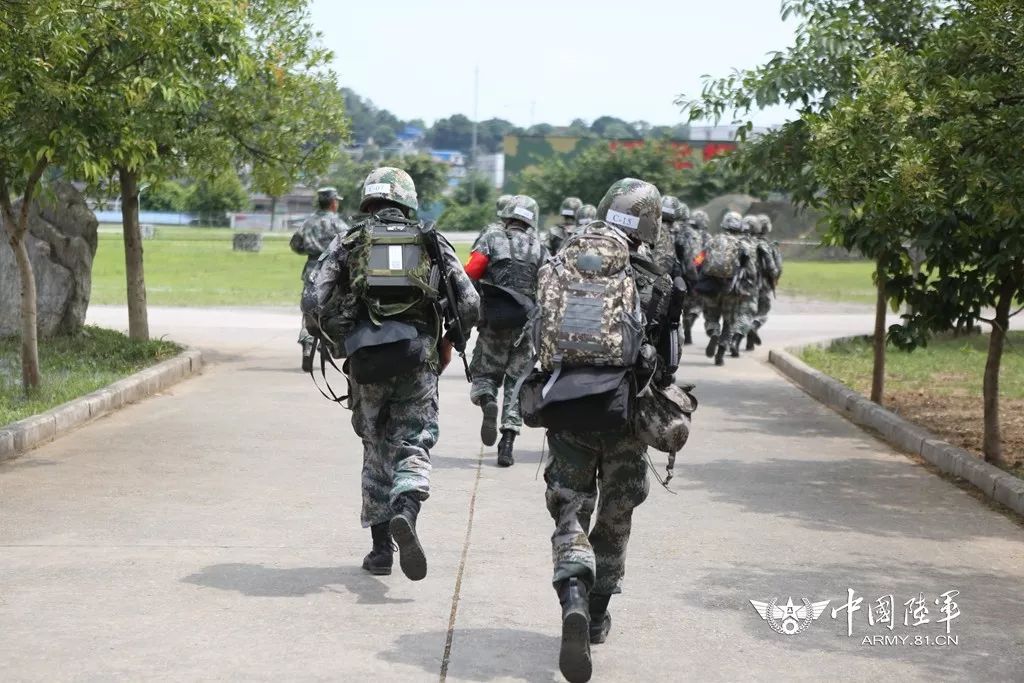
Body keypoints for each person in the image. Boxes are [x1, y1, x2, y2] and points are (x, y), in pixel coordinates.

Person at [536, 178, 681, 683]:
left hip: (567, 406)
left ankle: (573, 591)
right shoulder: (657, 276)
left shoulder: (561, 257)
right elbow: (667, 359)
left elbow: (540, 330)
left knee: (570, 504)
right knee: (618, 510)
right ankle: (596, 614)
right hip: (624, 413)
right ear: (650, 222)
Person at [304, 167, 480, 580]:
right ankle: (407, 508)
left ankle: (381, 551)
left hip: (366, 365)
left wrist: (335, 342)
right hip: (418, 358)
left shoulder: (348, 241)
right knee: (414, 441)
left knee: (375, 448)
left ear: (369, 199)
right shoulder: (429, 239)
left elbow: (314, 300)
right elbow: (470, 301)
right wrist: (453, 339)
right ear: (407, 199)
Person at [463, 195, 546, 466]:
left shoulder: (492, 238)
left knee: (484, 372)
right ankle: (507, 444)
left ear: (507, 216)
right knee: (516, 382)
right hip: (525, 324)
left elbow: (472, 271)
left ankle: (487, 398)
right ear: (530, 220)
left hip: (493, 321)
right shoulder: (540, 246)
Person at [290, 187, 348, 372]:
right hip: (332, 272)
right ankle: (326, 344)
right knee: (331, 309)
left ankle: (308, 344)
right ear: (333, 203)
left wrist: (310, 250)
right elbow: (349, 245)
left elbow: (296, 244)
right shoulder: (339, 224)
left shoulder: (308, 222)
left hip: (312, 269)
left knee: (309, 309)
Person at [700, 211, 757, 365]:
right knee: (729, 321)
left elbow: (698, 260)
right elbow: (751, 271)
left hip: (711, 286)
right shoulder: (744, 245)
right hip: (731, 289)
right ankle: (722, 350)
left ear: (724, 224)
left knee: (711, 316)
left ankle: (714, 332)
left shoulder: (712, 241)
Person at [748, 214, 782, 349]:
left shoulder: (745, 242)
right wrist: (774, 279)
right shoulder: (769, 246)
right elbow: (776, 268)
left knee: (746, 311)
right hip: (764, 285)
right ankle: (754, 326)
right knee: (763, 311)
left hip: (746, 284)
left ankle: (741, 339)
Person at [674, 205, 707, 345]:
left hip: (668, 274)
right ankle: (688, 324)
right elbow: (697, 258)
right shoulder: (694, 235)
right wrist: (695, 278)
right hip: (687, 275)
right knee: (694, 305)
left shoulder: (668, 230)